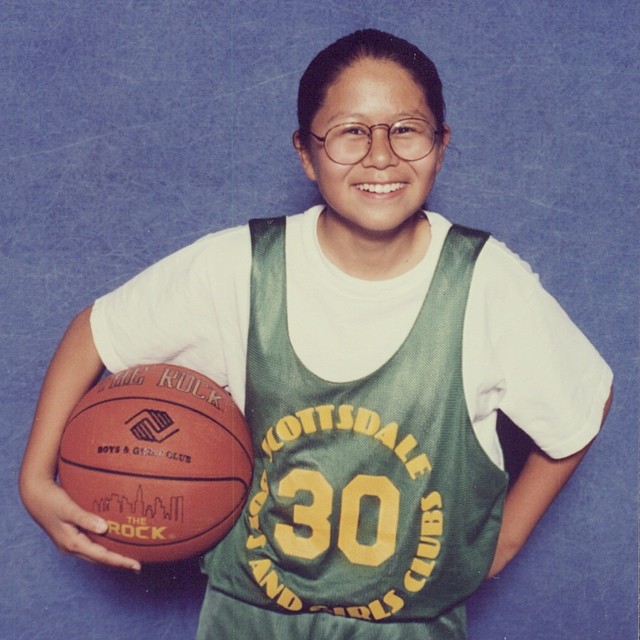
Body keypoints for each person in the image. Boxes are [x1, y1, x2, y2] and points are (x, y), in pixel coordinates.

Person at [20, 29, 613, 640]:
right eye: (351, 132)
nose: (380, 156)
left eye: (406, 129)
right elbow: (96, 330)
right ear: (306, 152)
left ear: (442, 146)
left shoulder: (486, 282)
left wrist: (505, 540)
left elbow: (584, 402)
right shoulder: (240, 268)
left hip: (406, 625)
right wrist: (35, 478)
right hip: (247, 617)